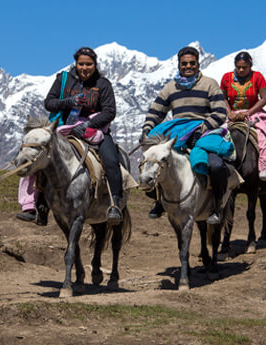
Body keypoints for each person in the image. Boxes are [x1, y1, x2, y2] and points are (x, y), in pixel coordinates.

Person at [141, 46, 229, 224]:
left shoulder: (210, 84)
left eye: (192, 63)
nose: (188, 66)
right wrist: (147, 129)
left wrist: (202, 129)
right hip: (176, 133)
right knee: (151, 164)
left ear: (198, 64)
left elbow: (219, 112)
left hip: (203, 131)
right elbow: (156, 111)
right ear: (179, 65)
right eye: (184, 63)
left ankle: (217, 207)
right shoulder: (170, 88)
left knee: (216, 165)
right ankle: (159, 200)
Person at [44, 47, 124, 220]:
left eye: (89, 64)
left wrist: (89, 124)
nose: (85, 68)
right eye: (81, 64)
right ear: (76, 64)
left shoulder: (103, 84)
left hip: (96, 130)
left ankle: (115, 203)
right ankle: (40, 204)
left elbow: (110, 112)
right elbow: (49, 102)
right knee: (43, 157)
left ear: (95, 65)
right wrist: (68, 101)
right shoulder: (63, 80)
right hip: (64, 129)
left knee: (111, 160)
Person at [221, 51, 266, 182]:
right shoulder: (226, 78)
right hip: (232, 114)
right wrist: (229, 112)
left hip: (254, 112)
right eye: (238, 67)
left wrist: (248, 112)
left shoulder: (257, 77)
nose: (241, 70)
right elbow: (223, 98)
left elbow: (264, 98)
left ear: (250, 66)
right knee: (216, 135)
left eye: (245, 67)